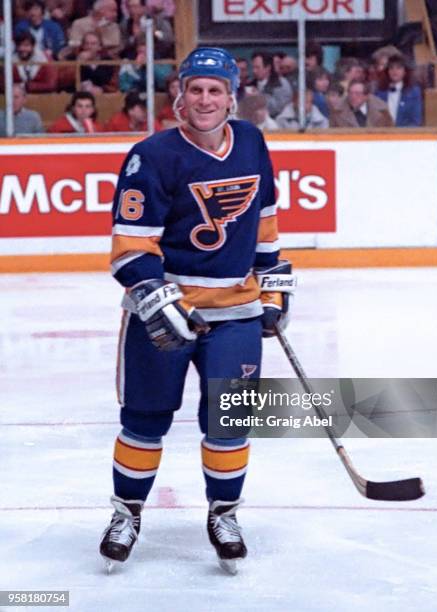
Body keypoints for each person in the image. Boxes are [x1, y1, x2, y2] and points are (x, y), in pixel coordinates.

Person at [99, 46, 295, 574]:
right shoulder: (152, 156)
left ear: (232, 97)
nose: (205, 99)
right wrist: (157, 300)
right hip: (166, 311)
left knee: (229, 420)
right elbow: (130, 251)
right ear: (178, 97)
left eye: (215, 90)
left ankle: (224, 513)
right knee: (144, 419)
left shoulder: (252, 143)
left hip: (235, 313)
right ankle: (126, 512)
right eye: (195, 89)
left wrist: (274, 290)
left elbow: (266, 222)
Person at [375, 55, 423, 127]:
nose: (395, 71)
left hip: (405, 135)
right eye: (391, 68)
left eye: (398, 68)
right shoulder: (379, 92)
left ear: (405, 71)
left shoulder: (414, 92)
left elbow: (415, 121)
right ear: (388, 71)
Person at [330, 79, 394, 128]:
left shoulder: (382, 110)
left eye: (357, 94)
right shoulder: (337, 111)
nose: (353, 97)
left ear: (366, 96)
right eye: (350, 93)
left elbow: (391, 134)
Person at [250, 51, 293, 118]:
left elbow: (279, 108)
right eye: (253, 67)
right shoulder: (251, 84)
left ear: (268, 68)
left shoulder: (281, 84)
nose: (254, 71)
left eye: (257, 67)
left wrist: (260, 98)